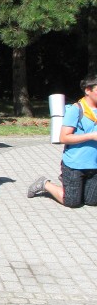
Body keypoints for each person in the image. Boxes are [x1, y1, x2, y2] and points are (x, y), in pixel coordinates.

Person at [28, 75, 97, 208]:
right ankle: (44, 184)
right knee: (72, 202)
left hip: (94, 165)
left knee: (92, 201)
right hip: (75, 164)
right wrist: (91, 136)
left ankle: (73, 186)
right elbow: (64, 138)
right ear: (88, 90)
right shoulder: (76, 110)